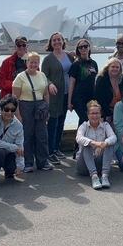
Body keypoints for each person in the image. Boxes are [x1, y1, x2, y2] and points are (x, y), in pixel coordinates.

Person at [13, 51, 54, 172]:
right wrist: (18, 114)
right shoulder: (20, 77)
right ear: (27, 63)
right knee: (27, 135)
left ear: (38, 64)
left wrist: (47, 109)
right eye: (31, 62)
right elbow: (15, 97)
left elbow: (46, 94)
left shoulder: (42, 75)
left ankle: (43, 161)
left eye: (36, 62)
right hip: (25, 106)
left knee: (42, 135)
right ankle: (27, 162)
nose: (33, 64)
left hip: (40, 105)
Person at [42, 32, 74, 165]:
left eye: (59, 40)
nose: (57, 42)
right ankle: (50, 151)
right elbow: (43, 76)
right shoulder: (48, 59)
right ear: (51, 43)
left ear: (63, 41)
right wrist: (50, 84)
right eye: (54, 40)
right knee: (53, 123)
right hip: (54, 96)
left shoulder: (68, 56)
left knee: (61, 122)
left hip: (66, 94)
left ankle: (56, 148)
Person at [75, 100, 117, 189]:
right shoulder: (84, 126)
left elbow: (113, 137)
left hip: (99, 163)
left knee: (109, 144)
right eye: (92, 113)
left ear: (100, 114)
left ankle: (104, 176)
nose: (95, 116)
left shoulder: (105, 125)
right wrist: (95, 143)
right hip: (83, 166)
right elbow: (79, 138)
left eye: (97, 113)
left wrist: (104, 143)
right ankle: (94, 177)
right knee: (86, 145)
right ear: (88, 115)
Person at [68, 39, 99, 127]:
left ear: (89, 48)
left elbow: (95, 80)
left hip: (91, 97)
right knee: (84, 119)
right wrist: (69, 102)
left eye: (85, 46)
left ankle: (81, 140)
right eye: (80, 47)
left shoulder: (94, 63)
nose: (83, 48)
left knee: (89, 120)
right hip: (79, 97)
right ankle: (79, 140)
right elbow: (72, 83)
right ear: (78, 49)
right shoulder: (76, 64)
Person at [94, 57, 123, 123]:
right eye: (113, 67)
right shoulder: (101, 79)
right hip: (105, 110)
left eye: (117, 67)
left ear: (120, 69)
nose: (115, 69)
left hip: (121, 110)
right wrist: (108, 114)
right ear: (108, 68)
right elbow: (99, 98)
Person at [0, 36, 29, 100]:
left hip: (27, 98)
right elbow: (0, 81)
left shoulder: (32, 61)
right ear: (15, 47)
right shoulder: (6, 62)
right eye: (19, 45)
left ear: (27, 46)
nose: (21, 47)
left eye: (24, 45)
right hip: (9, 98)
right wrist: (18, 85)